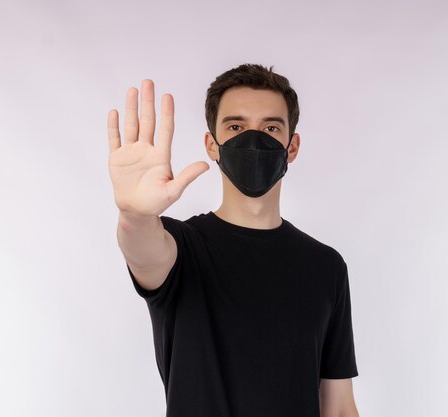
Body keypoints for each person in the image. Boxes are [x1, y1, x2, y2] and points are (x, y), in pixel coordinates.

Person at [107, 63, 360, 417]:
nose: (253, 140)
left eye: (271, 127)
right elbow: (142, 248)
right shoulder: (181, 249)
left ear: (292, 147)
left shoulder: (325, 266)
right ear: (213, 144)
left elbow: (339, 408)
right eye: (236, 126)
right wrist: (134, 213)